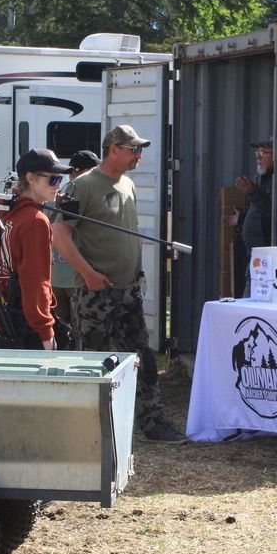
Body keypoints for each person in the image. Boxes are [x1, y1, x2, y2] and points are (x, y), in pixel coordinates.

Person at [53, 125, 188, 444]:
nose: (139, 155)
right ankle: (91, 428)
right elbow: (60, 235)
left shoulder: (128, 184)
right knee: (94, 360)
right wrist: (87, 274)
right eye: (133, 149)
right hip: (95, 292)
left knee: (142, 356)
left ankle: (152, 420)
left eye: (139, 149)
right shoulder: (81, 187)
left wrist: (136, 269)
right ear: (113, 148)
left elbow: (128, 231)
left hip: (128, 290)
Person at [0, 148, 72, 350]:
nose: (57, 186)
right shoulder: (35, 221)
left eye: (60, 180)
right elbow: (36, 283)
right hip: (27, 328)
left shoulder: (6, 214)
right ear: (30, 178)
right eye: (52, 180)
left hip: (4, 320)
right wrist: (46, 332)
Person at [50, 149, 99, 348]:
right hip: (76, 278)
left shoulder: (54, 194)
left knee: (59, 333)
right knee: (79, 335)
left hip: (54, 276)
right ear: (87, 171)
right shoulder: (85, 196)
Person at [233, 137, 274, 295]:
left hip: (266, 258)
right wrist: (242, 219)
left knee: (253, 299)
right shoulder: (262, 178)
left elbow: (273, 212)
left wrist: (251, 192)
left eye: (264, 152)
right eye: (258, 152)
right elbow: (258, 211)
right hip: (256, 255)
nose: (258, 157)